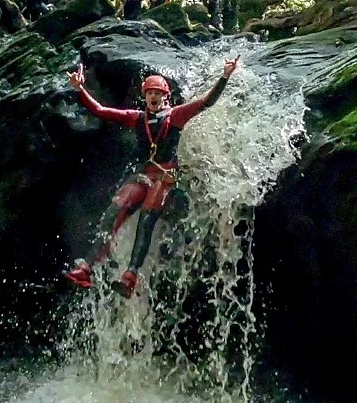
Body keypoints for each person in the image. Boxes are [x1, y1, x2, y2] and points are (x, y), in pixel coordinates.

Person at [62, 56, 240, 298]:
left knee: (147, 217)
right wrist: (80, 88)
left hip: (165, 175)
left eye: (157, 93)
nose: (153, 97)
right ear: (144, 97)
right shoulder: (137, 118)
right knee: (116, 208)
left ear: (165, 96)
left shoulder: (176, 115)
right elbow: (101, 111)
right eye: (149, 93)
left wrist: (225, 76)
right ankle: (88, 267)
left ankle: (131, 274)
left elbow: (207, 102)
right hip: (144, 174)